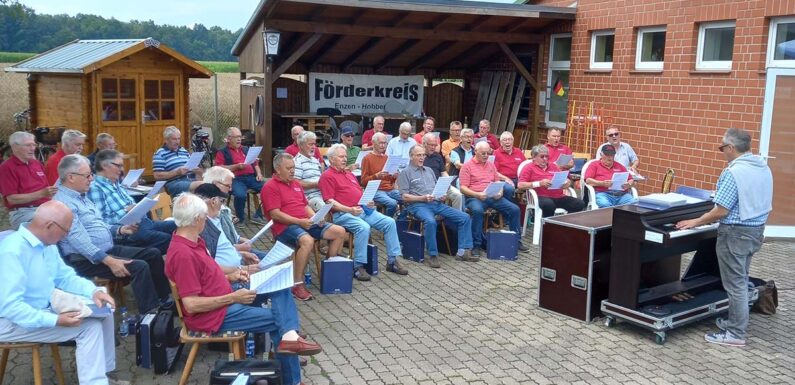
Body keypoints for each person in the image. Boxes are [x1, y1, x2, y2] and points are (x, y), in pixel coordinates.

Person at [166, 193, 322, 385]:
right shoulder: (183, 255)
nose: (207, 219)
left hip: (226, 295)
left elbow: (206, 273)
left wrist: (232, 275)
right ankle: (292, 375)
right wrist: (234, 297)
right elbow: (191, 305)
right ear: (197, 219)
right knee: (278, 321)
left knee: (279, 284)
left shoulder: (194, 241)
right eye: (205, 216)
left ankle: (290, 337)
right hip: (215, 315)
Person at [0, 201, 118, 385]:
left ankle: (105, 374)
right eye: (66, 230)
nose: (66, 236)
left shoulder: (47, 244)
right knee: (89, 329)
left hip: (42, 307)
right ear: (49, 226)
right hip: (10, 321)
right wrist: (55, 320)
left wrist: (93, 291)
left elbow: (65, 277)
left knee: (105, 309)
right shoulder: (12, 251)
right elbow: (11, 307)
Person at [676, 128, 773, 347]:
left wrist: (694, 222)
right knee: (742, 277)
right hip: (756, 231)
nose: (722, 151)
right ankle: (734, 321)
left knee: (736, 284)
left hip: (735, 234)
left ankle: (736, 333)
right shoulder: (762, 167)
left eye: (722, 147)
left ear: (730, 148)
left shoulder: (733, 172)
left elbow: (721, 211)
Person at [54, 154, 171, 313]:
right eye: (88, 175)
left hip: (105, 249)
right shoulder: (64, 204)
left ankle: (164, 300)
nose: (91, 179)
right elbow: (79, 243)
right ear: (71, 177)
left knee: (153, 254)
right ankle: (149, 316)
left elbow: (99, 225)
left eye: (91, 174)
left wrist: (120, 230)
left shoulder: (81, 195)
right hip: (84, 258)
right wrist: (110, 262)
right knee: (139, 266)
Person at [261, 154, 347, 301]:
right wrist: (300, 221)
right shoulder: (270, 187)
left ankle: (329, 273)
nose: (293, 171)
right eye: (288, 168)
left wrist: (316, 217)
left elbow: (305, 205)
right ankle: (297, 284)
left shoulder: (295, 184)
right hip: (284, 227)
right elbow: (275, 215)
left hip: (305, 222)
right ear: (277, 169)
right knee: (307, 241)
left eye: (293, 167)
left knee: (339, 232)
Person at [319, 144, 408, 280]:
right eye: (341, 157)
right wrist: (349, 209)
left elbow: (359, 192)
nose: (344, 159)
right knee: (363, 227)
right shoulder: (327, 176)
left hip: (362, 209)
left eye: (345, 157)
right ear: (331, 159)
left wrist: (367, 201)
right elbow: (329, 201)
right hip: (343, 214)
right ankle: (358, 266)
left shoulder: (349, 174)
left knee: (390, 222)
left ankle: (392, 261)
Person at [399, 145, 479, 268]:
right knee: (430, 221)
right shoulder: (405, 172)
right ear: (411, 156)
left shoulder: (429, 170)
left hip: (435, 203)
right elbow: (404, 197)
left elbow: (437, 189)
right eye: (418, 155)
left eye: (423, 155)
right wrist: (423, 198)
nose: (422, 158)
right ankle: (433, 254)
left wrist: (442, 195)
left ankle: (463, 251)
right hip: (418, 205)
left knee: (465, 217)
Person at [88, 149, 176, 254]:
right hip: (127, 230)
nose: (122, 169)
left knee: (178, 226)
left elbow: (130, 204)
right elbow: (102, 222)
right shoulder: (95, 188)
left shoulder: (115, 183)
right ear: (104, 166)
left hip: (143, 223)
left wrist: (137, 207)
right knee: (167, 239)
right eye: (118, 166)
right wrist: (127, 210)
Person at [460, 142, 528, 253]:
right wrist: (477, 194)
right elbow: (463, 188)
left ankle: (516, 240)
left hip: (492, 196)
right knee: (477, 211)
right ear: (475, 152)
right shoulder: (467, 166)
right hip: (475, 197)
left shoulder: (490, 165)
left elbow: (497, 181)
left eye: (488, 153)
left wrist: (500, 191)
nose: (486, 156)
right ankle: (476, 244)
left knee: (514, 209)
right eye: (483, 153)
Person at [0, 131, 57, 230]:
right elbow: (11, 199)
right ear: (15, 147)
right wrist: (41, 194)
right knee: (52, 225)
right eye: (28, 145)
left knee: (72, 217)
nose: (32, 148)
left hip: (46, 207)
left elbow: (47, 189)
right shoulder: (7, 167)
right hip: (23, 212)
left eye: (34, 145)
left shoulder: (36, 163)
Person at [213, 127, 266, 226]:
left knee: (269, 189)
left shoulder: (245, 149)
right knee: (240, 195)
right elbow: (219, 168)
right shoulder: (222, 151)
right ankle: (240, 218)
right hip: (236, 179)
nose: (239, 139)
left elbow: (255, 163)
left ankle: (257, 216)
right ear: (229, 139)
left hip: (251, 177)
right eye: (236, 137)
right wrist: (236, 166)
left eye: (240, 137)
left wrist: (259, 173)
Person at [518, 145, 585, 217]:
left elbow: (564, 179)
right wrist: (539, 183)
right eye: (542, 156)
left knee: (579, 204)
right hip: (540, 196)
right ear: (534, 157)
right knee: (549, 204)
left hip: (559, 196)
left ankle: (565, 224)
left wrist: (567, 183)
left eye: (546, 156)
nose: (545, 159)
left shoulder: (553, 166)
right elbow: (520, 185)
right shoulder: (528, 167)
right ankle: (547, 226)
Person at [203, 166, 259, 252]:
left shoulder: (223, 208)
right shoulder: (207, 213)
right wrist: (239, 248)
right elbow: (214, 249)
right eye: (228, 186)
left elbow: (232, 236)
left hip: (236, 252)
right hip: (232, 255)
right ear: (215, 184)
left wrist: (243, 240)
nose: (231, 189)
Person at [152, 126, 204, 196]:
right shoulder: (160, 153)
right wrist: (177, 172)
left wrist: (197, 170)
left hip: (190, 178)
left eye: (178, 139)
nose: (177, 142)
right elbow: (157, 175)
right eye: (174, 139)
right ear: (166, 140)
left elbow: (193, 168)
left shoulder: (183, 151)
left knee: (214, 182)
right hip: (174, 183)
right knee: (202, 185)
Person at [361, 132, 401, 217]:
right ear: (373, 143)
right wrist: (376, 176)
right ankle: (387, 223)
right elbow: (363, 182)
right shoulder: (367, 158)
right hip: (376, 190)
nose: (383, 145)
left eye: (385, 143)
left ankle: (401, 221)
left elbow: (389, 179)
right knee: (392, 203)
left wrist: (394, 177)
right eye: (380, 143)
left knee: (406, 198)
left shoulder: (386, 157)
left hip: (389, 189)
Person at [421, 133, 463, 210]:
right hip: (426, 188)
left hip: (440, 185)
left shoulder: (437, 156)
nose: (434, 147)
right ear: (424, 144)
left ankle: (456, 219)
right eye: (431, 145)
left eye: (435, 145)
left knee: (458, 195)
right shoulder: (420, 157)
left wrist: (447, 182)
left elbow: (443, 172)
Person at [293, 131, 326, 211]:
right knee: (324, 208)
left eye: (314, 144)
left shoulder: (315, 160)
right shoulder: (297, 161)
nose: (314, 147)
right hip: (309, 197)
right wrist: (316, 184)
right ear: (301, 146)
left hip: (323, 193)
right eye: (310, 144)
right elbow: (296, 183)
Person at [492, 131, 523, 198]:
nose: (507, 142)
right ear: (501, 143)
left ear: (513, 141)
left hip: (519, 179)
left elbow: (525, 166)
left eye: (509, 139)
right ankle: (513, 206)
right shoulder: (496, 153)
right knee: (509, 189)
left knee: (533, 185)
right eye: (504, 140)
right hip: (503, 180)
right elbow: (494, 172)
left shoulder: (518, 151)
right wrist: (506, 179)